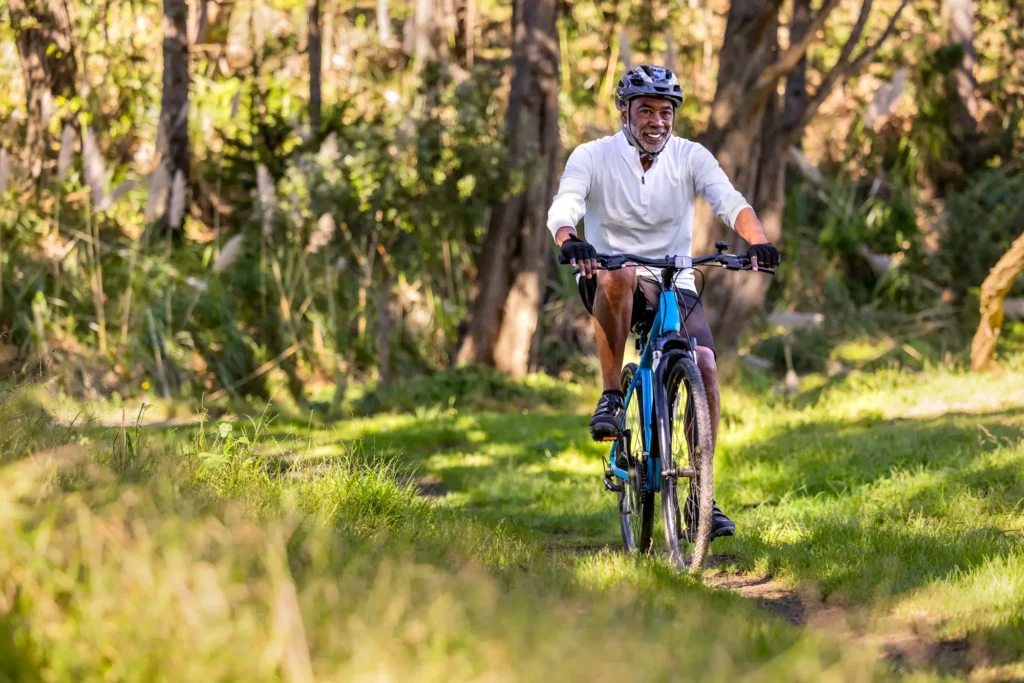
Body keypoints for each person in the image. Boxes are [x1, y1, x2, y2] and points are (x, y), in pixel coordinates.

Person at [546, 65, 781, 540]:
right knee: (620, 274)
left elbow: (729, 200)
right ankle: (612, 394)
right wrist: (569, 239)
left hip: (674, 276)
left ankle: (702, 497)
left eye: (666, 111)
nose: (657, 121)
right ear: (624, 111)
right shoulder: (593, 155)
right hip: (610, 275)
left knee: (707, 365)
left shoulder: (690, 156)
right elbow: (565, 203)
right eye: (647, 110)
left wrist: (757, 240)